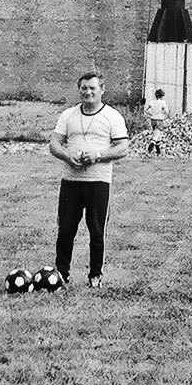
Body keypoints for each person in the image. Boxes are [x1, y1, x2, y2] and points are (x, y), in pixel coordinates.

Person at [49, 72, 130, 289]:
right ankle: (61, 274)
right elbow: (54, 144)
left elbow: (123, 148)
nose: (88, 92)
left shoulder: (112, 116)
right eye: (84, 88)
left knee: (96, 230)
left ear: (102, 90)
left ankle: (95, 275)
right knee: (65, 229)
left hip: (98, 181)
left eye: (92, 88)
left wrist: (98, 156)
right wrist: (68, 156)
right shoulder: (68, 115)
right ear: (79, 90)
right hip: (71, 180)